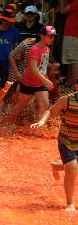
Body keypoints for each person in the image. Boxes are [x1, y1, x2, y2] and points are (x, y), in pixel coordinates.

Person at [31, 78, 78, 211]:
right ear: (76, 86)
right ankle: (70, 204)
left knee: (73, 167)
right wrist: (41, 122)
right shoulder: (66, 100)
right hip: (66, 140)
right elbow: (50, 111)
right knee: (73, 168)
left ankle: (57, 167)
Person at [10, 26, 56, 122]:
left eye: (53, 36)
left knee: (44, 104)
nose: (52, 38)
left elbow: (42, 67)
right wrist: (46, 80)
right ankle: (5, 123)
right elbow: (33, 68)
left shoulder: (47, 49)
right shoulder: (35, 49)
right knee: (20, 106)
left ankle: (38, 129)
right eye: (50, 36)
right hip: (28, 82)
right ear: (42, 36)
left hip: (40, 83)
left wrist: (46, 78)